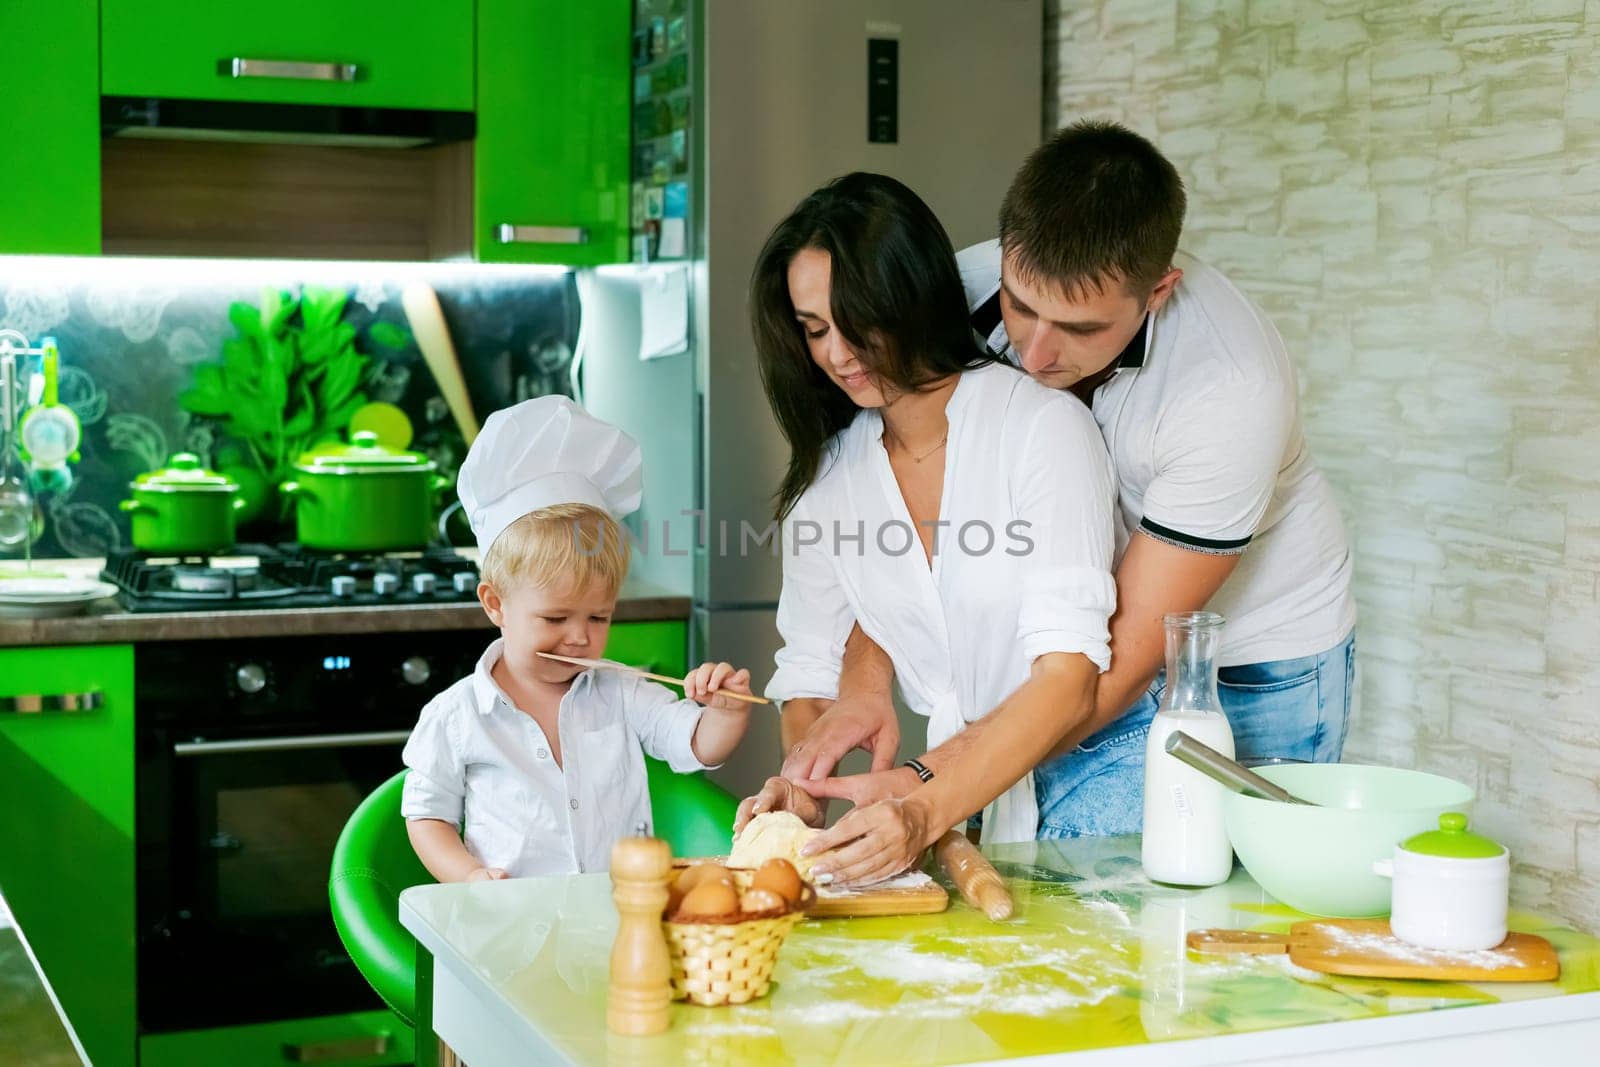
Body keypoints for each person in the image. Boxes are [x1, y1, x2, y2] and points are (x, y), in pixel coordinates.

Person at [768, 120, 1357, 840]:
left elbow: (1109, 669)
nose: (1036, 352)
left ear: (1158, 292)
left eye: (1078, 329)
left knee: (1243, 893)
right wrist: (865, 682)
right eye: (1021, 306)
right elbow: (899, 514)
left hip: (1251, 651)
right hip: (1078, 643)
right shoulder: (965, 288)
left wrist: (932, 780)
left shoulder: (1230, 392)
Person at [748, 171, 1119, 887]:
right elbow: (811, 667)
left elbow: (1068, 680)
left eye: (856, 321)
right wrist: (802, 788)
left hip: (1090, 781)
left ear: (912, 295)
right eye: (815, 328)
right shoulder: (831, 475)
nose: (836, 353)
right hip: (956, 806)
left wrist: (921, 810)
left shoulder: (1040, 430)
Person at [401, 396, 755, 880]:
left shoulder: (624, 693)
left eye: (599, 617)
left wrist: (725, 712)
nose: (579, 638)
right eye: (555, 618)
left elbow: (698, 745)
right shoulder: (457, 716)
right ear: (495, 603)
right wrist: (468, 876)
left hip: (616, 922)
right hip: (513, 932)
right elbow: (427, 816)